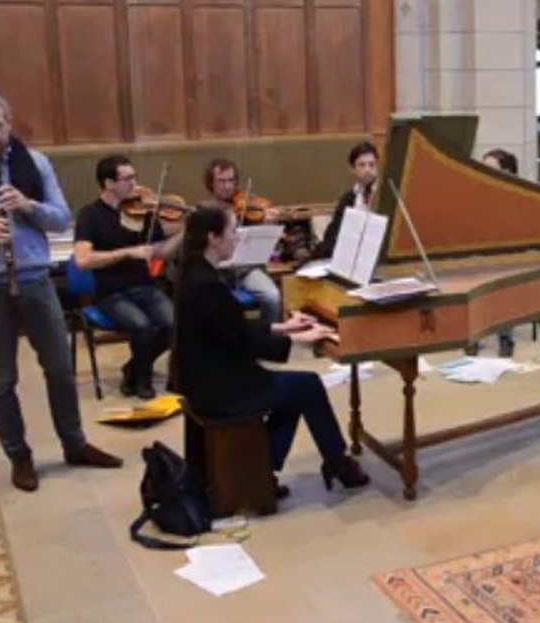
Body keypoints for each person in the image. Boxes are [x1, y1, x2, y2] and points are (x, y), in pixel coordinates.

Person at [0, 88, 122, 492]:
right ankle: (19, 456)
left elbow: (61, 220)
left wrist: (28, 205)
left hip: (35, 278)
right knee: (2, 378)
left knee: (59, 367)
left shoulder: (35, 164)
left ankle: (74, 443)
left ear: (9, 123)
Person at [172, 202, 370, 495]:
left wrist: (284, 327)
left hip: (205, 379)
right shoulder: (207, 285)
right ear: (213, 238)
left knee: (295, 390)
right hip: (220, 388)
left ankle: (263, 472)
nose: (237, 237)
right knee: (307, 387)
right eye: (232, 231)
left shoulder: (194, 273)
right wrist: (299, 339)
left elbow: (230, 329)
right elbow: (244, 342)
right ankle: (337, 464)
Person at [73, 155, 184, 400]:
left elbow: (161, 252)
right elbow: (82, 259)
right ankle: (142, 380)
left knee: (173, 322)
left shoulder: (141, 213)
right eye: (128, 179)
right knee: (141, 325)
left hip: (144, 286)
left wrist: (185, 232)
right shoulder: (90, 215)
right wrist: (126, 252)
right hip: (110, 292)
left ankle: (132, 369)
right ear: (108, 183)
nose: (135, 184)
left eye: (134, 177)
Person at [203, 157, 283, 323]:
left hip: (246, 270)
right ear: (211, 183)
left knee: (272, 296)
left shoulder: (247, 206)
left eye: (231, 181)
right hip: (217, 272)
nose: (227, 186)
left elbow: (265, 245)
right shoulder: (204, 211)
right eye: (221, 181)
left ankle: (268, 339)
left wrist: (267, 225)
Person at [466, 148, 520, 358]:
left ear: (505, 172)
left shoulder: (515, 197)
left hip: (507, 255)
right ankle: (473, 336)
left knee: (503, 284)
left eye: (489, 168)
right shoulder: (476, 195)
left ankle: (505, 338)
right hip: (480, 252)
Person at [314, 141, 379, 259]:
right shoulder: (348, 199)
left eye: (372, 164)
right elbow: (333, 234)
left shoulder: (384, 194)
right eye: (362, 165)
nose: (368, 170)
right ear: (353, 169)